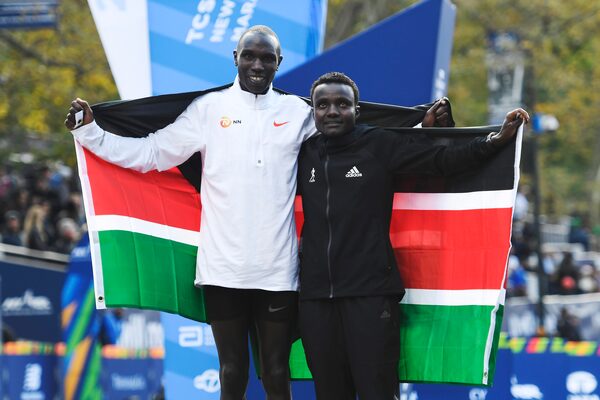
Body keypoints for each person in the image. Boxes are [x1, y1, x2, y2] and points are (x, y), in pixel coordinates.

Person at [65, 26, 452, 399]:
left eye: (267, 58)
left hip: (278, 271)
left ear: (278, 62)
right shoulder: (207, 110)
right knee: (232, 374)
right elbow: (150, 153)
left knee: (276, 374)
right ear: (235, 57)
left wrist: (421, 125)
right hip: (222, 269)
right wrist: (90, 133)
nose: (257, 64)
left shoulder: (297, 112)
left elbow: (359, 135)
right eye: (249, 56)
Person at [296, 72, 529, 399]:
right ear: (313, 112)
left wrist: (494, 141)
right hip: (316, 297)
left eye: (342, 104)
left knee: (378, 391)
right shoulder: (303, 152)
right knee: (330, 393)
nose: (332, 111)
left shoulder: (378, 145)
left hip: (370, 294)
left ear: (357, 111)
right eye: (323, 105)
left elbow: (442, 160)